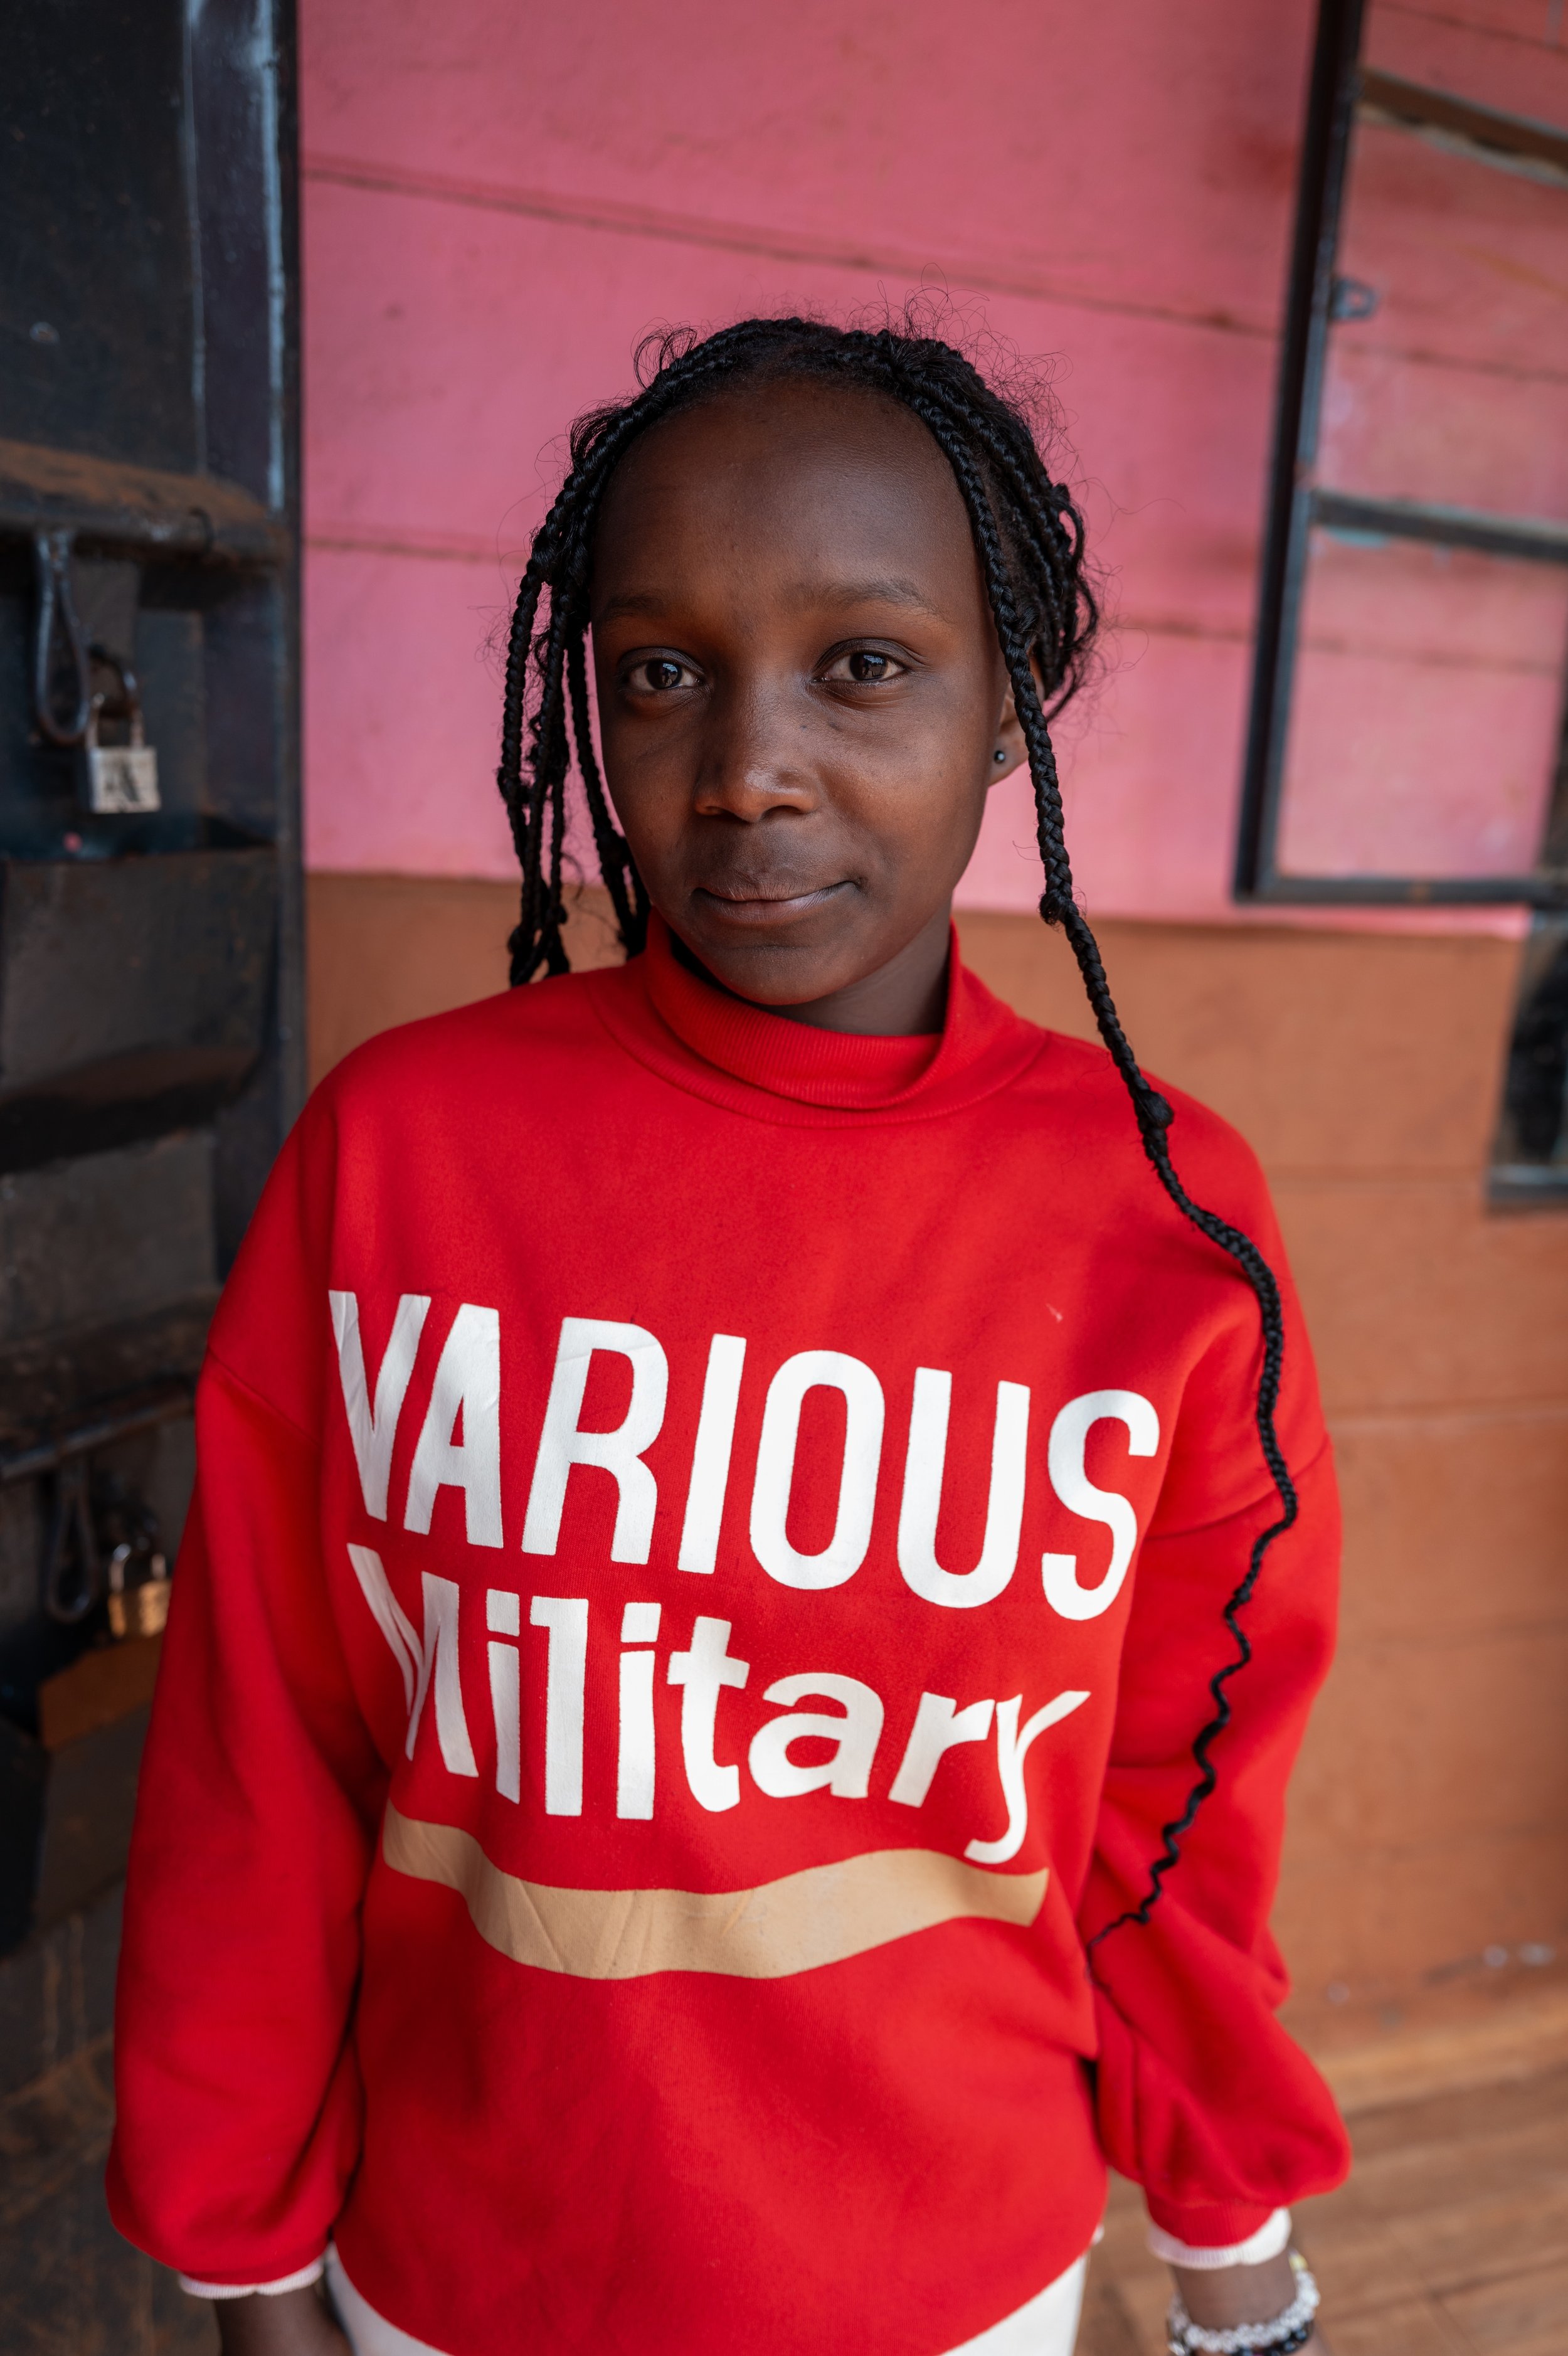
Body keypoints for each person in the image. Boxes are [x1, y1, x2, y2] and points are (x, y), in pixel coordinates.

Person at [109, 315, 1349, 2356]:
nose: (749, 764)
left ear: (1011, 698)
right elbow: (266, 1759)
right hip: (463, 2277)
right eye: (659, 672)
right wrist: (245, 2261)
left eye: (862, 662)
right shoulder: (407, 1151)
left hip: (950, 2288)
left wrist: (1233, 2254)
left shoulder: (1164, 1225)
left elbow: (1177, 1808)